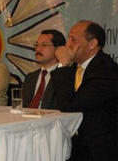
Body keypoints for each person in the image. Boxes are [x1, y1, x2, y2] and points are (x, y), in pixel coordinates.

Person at [50, 20, 118, 161]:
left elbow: (69, 106)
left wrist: (63, 65)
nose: (67, 44)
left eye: (73, 39)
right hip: (75, 144)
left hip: (99, 148)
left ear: (92, 44)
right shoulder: (75, 67)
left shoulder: (105, 69)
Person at [22, 29, 66, 109]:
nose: (38, 49)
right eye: (37, 45)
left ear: (59, 49)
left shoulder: (63, 77)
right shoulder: (30, 77)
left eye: (44, 45)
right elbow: (23, 106)